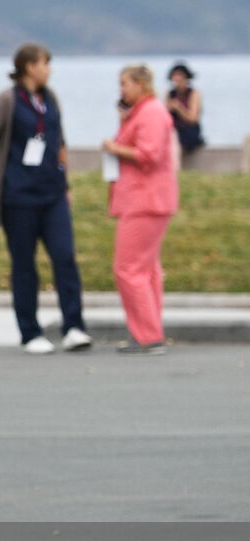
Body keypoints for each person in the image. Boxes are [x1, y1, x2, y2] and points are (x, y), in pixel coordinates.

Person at [0, 43, 92, 355]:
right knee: (24, 265)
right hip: (18, 196)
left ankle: (74, 326)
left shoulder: (50, 99)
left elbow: (59, 144)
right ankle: (30, 332)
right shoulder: (8, 100)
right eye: (44, 64)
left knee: (65, 257)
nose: (48, 70)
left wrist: (65, 182)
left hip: (51, 193)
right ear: (29, 67)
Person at [103, 65, 179, 354]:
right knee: (146, 269)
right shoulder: (142, 112)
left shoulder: (151, 113)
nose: (122, 89)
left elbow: (149, 154)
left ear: (141, 84)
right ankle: (147, 330)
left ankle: (148, 334)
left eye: (125, 84)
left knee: (128, 268)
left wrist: (114, 148)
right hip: (143, 199)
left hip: (144, 201)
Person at [165, 62, 204, 160]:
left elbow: (193, 118)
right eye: (175, 76)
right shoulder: (170, 94)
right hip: (174, 131)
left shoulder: (194, 94)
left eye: (180, 76)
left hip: (188, 132)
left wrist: (179, 108)